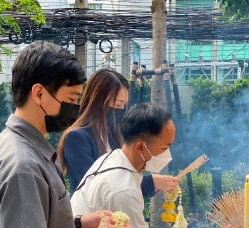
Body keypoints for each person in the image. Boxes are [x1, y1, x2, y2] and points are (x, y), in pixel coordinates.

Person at [0, 42, 135, 228]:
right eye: (72, 99)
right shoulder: (22, 166)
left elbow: (27, 227)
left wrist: (78, 224)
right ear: (39, 94)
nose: (75, 109)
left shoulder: (21, 146)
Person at [70, 103, 236, 228]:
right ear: (141, 146)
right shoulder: (123, 190)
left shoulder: (112, 158)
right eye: (165, 148)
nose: (168, 155)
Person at [58, 68, 179, 197]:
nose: (121, 110)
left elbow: (125, 177)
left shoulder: (113, 134)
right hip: (91, 215)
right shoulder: (76, 138)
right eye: (118, 104)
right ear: (98, 102)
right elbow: (95, 186)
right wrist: (150, 182)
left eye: (124, 105)